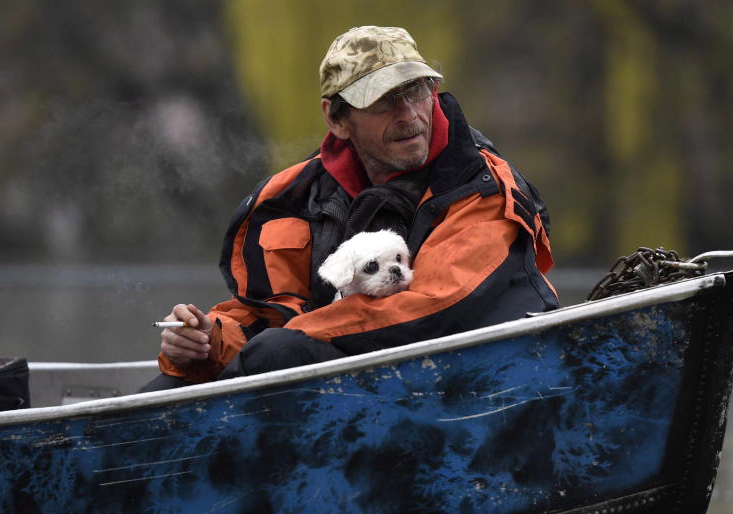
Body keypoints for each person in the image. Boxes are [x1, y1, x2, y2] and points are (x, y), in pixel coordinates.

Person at [142, 25, 558, 391]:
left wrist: (278, 343)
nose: (410, 115)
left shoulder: (483, 186)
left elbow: (434, 308)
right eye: (384, 101)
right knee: (172, 382)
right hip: (354, 395)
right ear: (337, 119)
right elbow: (264, 314)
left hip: (478, 392)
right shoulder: (292, 198)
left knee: (276, 354)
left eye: (416, 91)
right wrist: (207, 341)